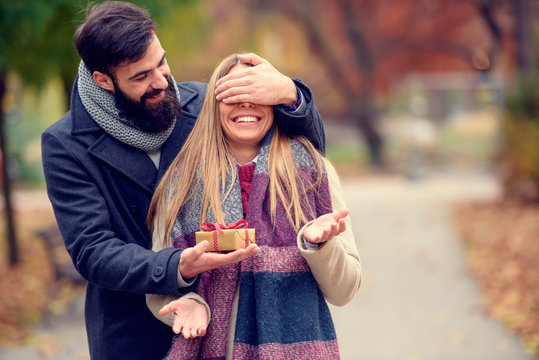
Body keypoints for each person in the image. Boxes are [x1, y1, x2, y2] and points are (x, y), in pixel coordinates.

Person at [40, 2, 326, 359]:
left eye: (161, 62)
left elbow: (306, 158)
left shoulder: (203, 101)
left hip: (225, 322)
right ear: (103, 80)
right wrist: (177, 265)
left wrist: (291, 96)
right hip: (135, 333)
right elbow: (92, 250)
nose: (161, 81)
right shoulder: (66, 143)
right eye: (141, 76)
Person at [146, 54, 362, 360]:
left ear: (274, 101)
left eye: (256, 93)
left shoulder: (314, 172)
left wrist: (320, 245)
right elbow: (158, 278)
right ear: (212, 106)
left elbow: (345, 290)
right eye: (233, 93)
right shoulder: (180, 183)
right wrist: (190, 304)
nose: (245, 104)